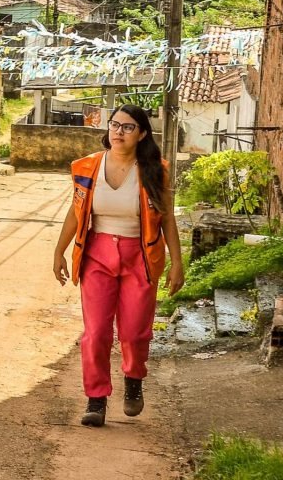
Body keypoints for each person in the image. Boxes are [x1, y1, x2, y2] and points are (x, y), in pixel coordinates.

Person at [52, 103, 184, 427]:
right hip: (97, 255)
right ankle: (96, 399)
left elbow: (167, 219)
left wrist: (177, 263)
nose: (119, 132)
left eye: (127, 127)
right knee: (96, 332)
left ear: (141, 134)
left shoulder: (155, 170)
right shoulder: (87, 167)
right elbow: (76, 211)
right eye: (114, 125)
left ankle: (133, 379)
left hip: (140, 255)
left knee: (135, 332)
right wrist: (59, 251)